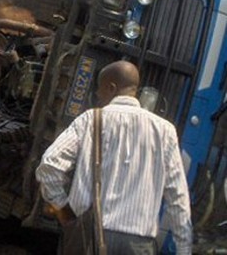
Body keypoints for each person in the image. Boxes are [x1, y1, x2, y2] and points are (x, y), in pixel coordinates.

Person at [36, 60, 192, 255]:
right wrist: (184, 248)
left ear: (111, 87)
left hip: (88, 236)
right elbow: (178, 196)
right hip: (139, 245)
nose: (99, 97)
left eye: (99, 91)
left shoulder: (90, 119)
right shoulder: (165, 131)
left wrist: (65, 212)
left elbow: (49, 166)